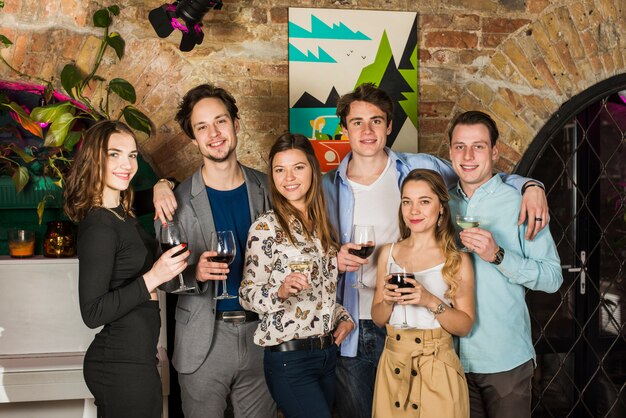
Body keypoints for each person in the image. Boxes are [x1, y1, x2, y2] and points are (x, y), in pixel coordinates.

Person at [322, 83, 550, 418]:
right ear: (345, 128)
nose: (367, 130)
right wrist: (333, 260)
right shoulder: (326, 185)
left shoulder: (419, 167)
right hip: (355, 323)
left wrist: (530, 185)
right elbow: (309, 249)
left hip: (426, 335)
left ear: (389, 126)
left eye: (376, 121)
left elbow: (475, 173)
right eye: (357, 122)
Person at [152, 84, 275, 418]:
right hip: (203, 340)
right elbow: (163, 280)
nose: (214, 133)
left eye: (220, 121)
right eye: (202, 127)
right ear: (193, 138)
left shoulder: (269, 188)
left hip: (262, 337)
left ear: (236, 123)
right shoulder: (172, 202)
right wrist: (196, 273)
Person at [64, 120, 190, 418]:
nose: (127, 164)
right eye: (115, 154)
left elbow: (175, 186)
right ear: (95, 158)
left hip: (137, 357)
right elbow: (92, 313)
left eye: (133, 155)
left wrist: (162, 183)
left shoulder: (122, 211)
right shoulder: (98, 224)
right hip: (119, 362)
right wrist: (154, 277)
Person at [447, 110, 563, 417]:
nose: (468, 155)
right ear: (450, 152)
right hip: (449, 358)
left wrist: (499, 256)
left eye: (479, 146)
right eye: (460, 146)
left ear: (495, 151)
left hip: (505, 359)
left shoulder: (521, 203)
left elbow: (552, 278)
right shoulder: (440, 204)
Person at [239, 133, 355, 418]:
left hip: (326, 356)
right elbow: (246, 294)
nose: (288, 177)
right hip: (290, 360)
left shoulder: (322, 227)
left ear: (313, 170)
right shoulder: (265, 227)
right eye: (280, 169)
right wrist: (279, 291)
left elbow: (320, 295)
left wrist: (342, 317)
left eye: (298, 167)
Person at [370, 169, 474, 417]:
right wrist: (387, 300)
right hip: (393, 366)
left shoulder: (457, 259)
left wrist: (429, 300)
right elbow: (378, 317)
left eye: (424, 201)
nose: (413, 211)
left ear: (441, 207)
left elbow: (464, 326)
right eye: (407, 202)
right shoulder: (388, 253)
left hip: (438, 368)